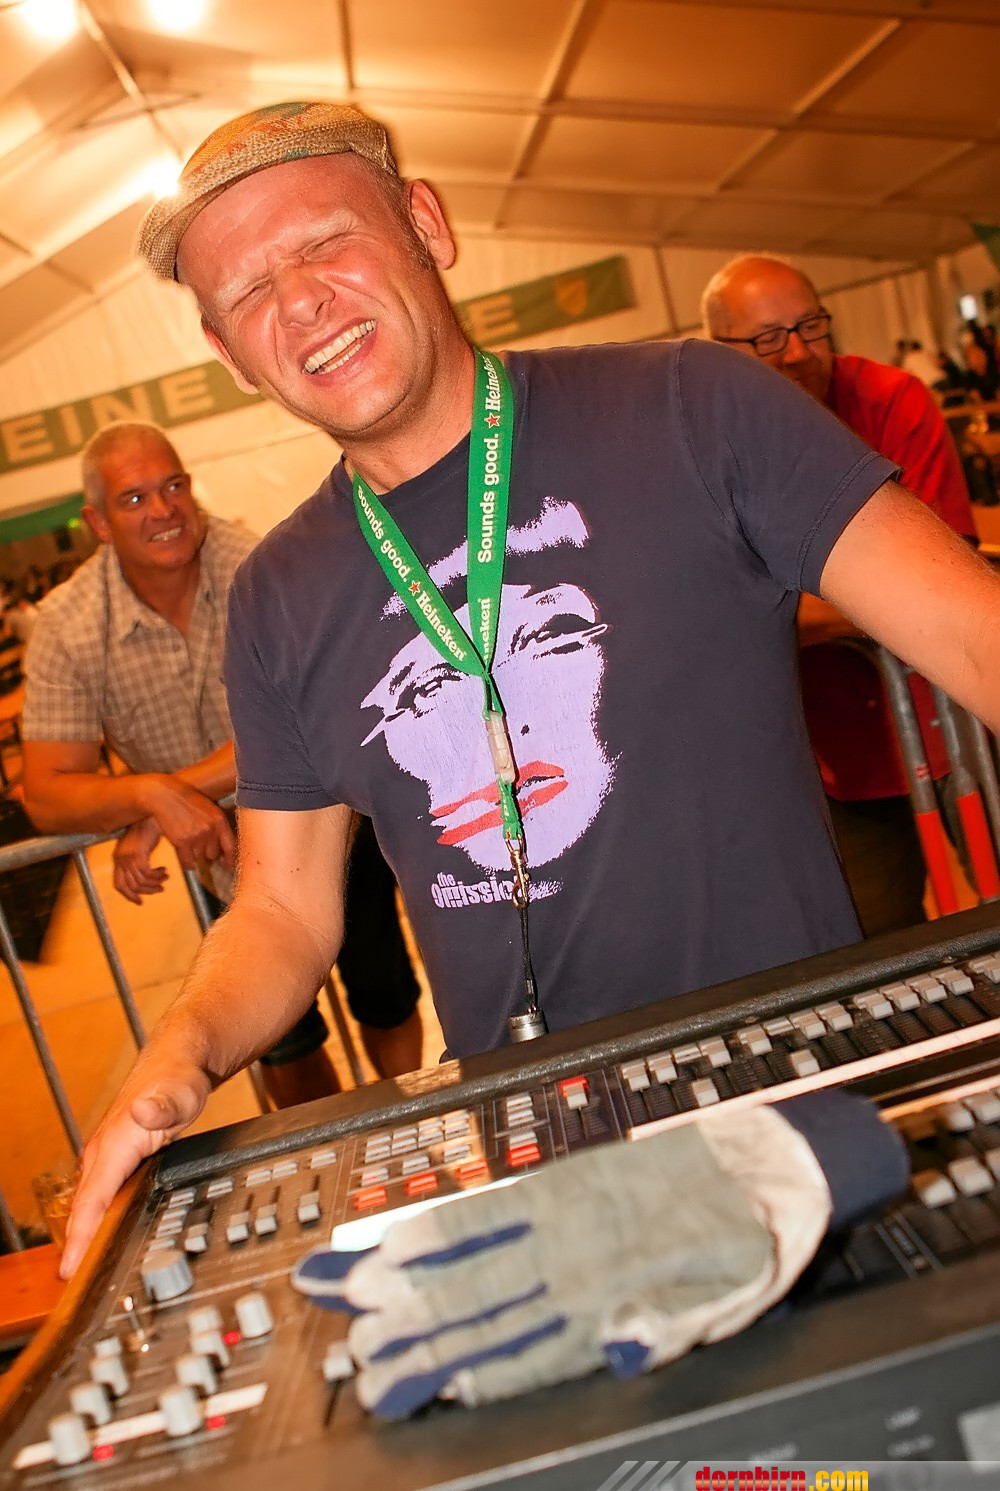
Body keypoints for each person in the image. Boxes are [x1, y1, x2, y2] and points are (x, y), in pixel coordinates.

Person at [59, 102, 1000, 1287]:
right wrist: (182, 1050)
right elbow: (285, 909)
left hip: (809, 1116)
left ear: (425, 225)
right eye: (248, 293)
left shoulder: (694, 405)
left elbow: (974, 636)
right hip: (550, 1176)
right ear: (227, 352)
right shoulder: (279, 598)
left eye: (325, 243)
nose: (298, 303)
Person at [20, 421, 421, 1106]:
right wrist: (151, 797)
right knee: (278, 1040)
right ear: (98, 523)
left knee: (384, 997)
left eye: (173, 485)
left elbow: (313, 719)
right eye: (135, 498)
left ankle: (410, 1123)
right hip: (219, 861)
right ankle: (325, 1158)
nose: (164, 509)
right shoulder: (68, 626)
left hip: (334, 829)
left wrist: (163, 799)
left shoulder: (262, 566)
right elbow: (46, 795)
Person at [701, 254, 978, 936]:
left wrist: (784, 605)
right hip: (830, 753)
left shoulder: (890, 400)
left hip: (951, 710)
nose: (798, 352)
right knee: (877, 948)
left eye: (811, 326)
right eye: (768, 338)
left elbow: (942, 578)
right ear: (721, 350)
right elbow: (716, 609)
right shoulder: (708, 446)